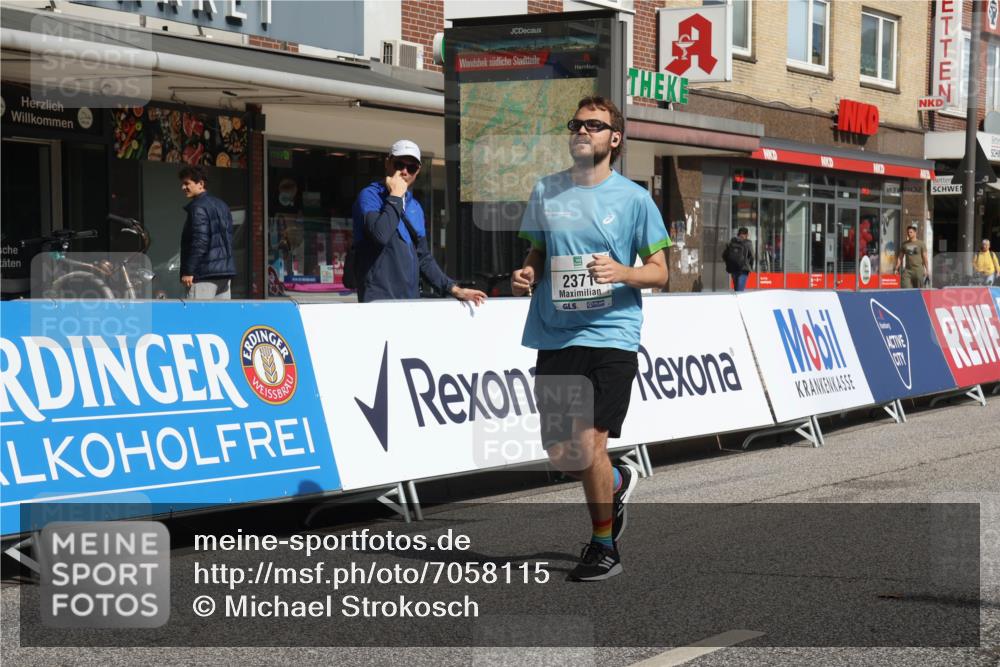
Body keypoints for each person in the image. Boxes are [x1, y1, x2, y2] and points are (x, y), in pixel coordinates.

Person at [511, 96, 670, 582]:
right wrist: (527, 273)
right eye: (576, 124)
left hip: (610, 335)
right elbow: (537, 249)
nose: (583, 131)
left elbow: (660, 273)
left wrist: (622, 271)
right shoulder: (547, 190)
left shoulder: (634, 200)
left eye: (594, 126)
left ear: (613, 139)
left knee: (587, 442)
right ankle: (618, 479)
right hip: (555, 334)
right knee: (565, 454)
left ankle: (604, 547)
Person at [351, 140, 486, 305]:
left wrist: (454, 289)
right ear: (388, 163)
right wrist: (395, 196)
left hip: (410, 301)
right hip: (378, 300)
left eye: (412, 167)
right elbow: (380, 235)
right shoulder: (370, 196)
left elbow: (423, 258)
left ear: (418, 171)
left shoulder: (415, 206)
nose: (404, 172)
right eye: (399, 164)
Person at [179, 165, 236, 299]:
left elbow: (200, 241)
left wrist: (189, 271)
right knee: (221, 319)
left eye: (187, 183)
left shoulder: (198, 207)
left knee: (197, 318)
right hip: (224, 274)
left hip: (203, 275)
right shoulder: (222, 204)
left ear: (201, 184)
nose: (183, 187)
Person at [722, 227, 754, 291]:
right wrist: (750, 266)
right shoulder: (748, 243)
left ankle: (736, 300)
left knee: (736, 289)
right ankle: (739, 301)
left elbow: (724, 255)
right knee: (740, 291)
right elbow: (752, 256)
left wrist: (730, 263)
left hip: (733, 268)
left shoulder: (732, 242)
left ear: (738, 233)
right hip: (743, 269)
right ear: (747, 235)